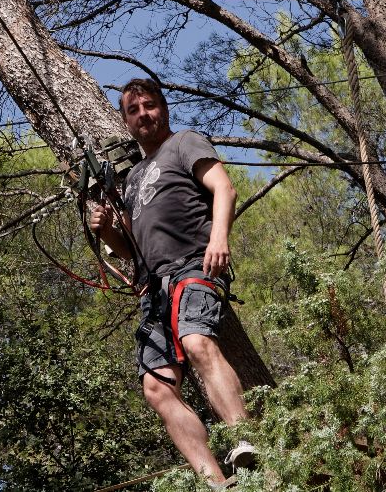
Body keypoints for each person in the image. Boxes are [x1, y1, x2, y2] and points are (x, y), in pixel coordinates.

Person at [90, 78, 256, 489]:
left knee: (198, 342)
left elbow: (224, 188)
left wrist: (219, 239)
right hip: (154, 290)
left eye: (149, 105)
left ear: (163, 108)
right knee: (156, 388)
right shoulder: (132, 179)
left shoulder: (184, 142)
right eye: (134, 110)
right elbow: (131, 250)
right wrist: (107, 228)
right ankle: (215, 481)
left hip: (192, 266)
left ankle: (247, 440)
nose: (143, 114)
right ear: (126, 121)